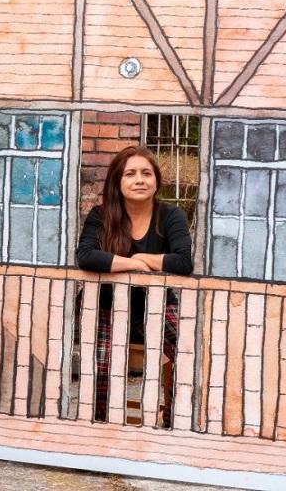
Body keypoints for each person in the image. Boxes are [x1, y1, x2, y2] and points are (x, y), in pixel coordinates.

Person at [76, 145, 192, 424]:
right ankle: (101, 424)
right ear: (117, 181)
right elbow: (86, 256)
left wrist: (143, 257)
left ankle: (176, 419)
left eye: (146, 173)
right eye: (130, 174)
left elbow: (183, 262)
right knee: (102, 365)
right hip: (105, 303)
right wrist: (135, 265)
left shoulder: (170, 216)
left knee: (190, 352)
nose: (139, 180)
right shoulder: (101, 216)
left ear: (156, 181)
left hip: (155, 304)